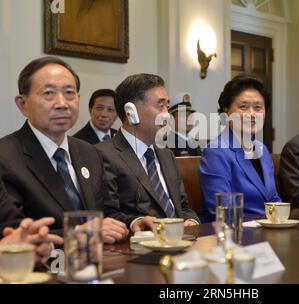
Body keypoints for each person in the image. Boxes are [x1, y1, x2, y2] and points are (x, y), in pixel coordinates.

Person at [0, 57, 128, 243]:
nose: (62, 103)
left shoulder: (89, 153)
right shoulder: (6, 157)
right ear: (23, 104)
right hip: (43, 267)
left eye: (69, 93)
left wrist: (136, 223)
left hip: (99, 263)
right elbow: (12, 233)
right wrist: (77, 235)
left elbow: (106, 213)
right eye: (49, 93)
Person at [96, 73, 199, 232]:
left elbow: (183, 207)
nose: (167, 114)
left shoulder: (166, 155)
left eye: (168, 105)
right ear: (132, 112)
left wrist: (191, 221)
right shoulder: (103, 155)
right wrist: (135, 222)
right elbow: (106, 215)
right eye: (160, 105)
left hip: (181, 242)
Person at [199, 75, 281, 222]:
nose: (251, 114)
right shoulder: (216, 151)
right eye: (243, 107)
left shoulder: (262, 149)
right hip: (235, 235)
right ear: (226, 112)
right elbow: (223, 210)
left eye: (258, 108)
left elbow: (273, 199)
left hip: (269, 232)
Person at [167, 92, 201, 156]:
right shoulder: (168, 144)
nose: (188, 118)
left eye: (190, 114)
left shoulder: (193, 142)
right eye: (183, 115)